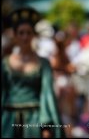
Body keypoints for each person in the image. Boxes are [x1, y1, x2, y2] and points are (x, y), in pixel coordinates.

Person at [1, 7, 65, 138]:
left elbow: (47, 94)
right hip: (8, 119)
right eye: (21, 33)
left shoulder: (43, 63)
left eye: (28, 33)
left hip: (34, 119)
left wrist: (46, 124)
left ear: (33, 35)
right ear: (15, 35)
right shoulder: (5, 63)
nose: (25, 37)